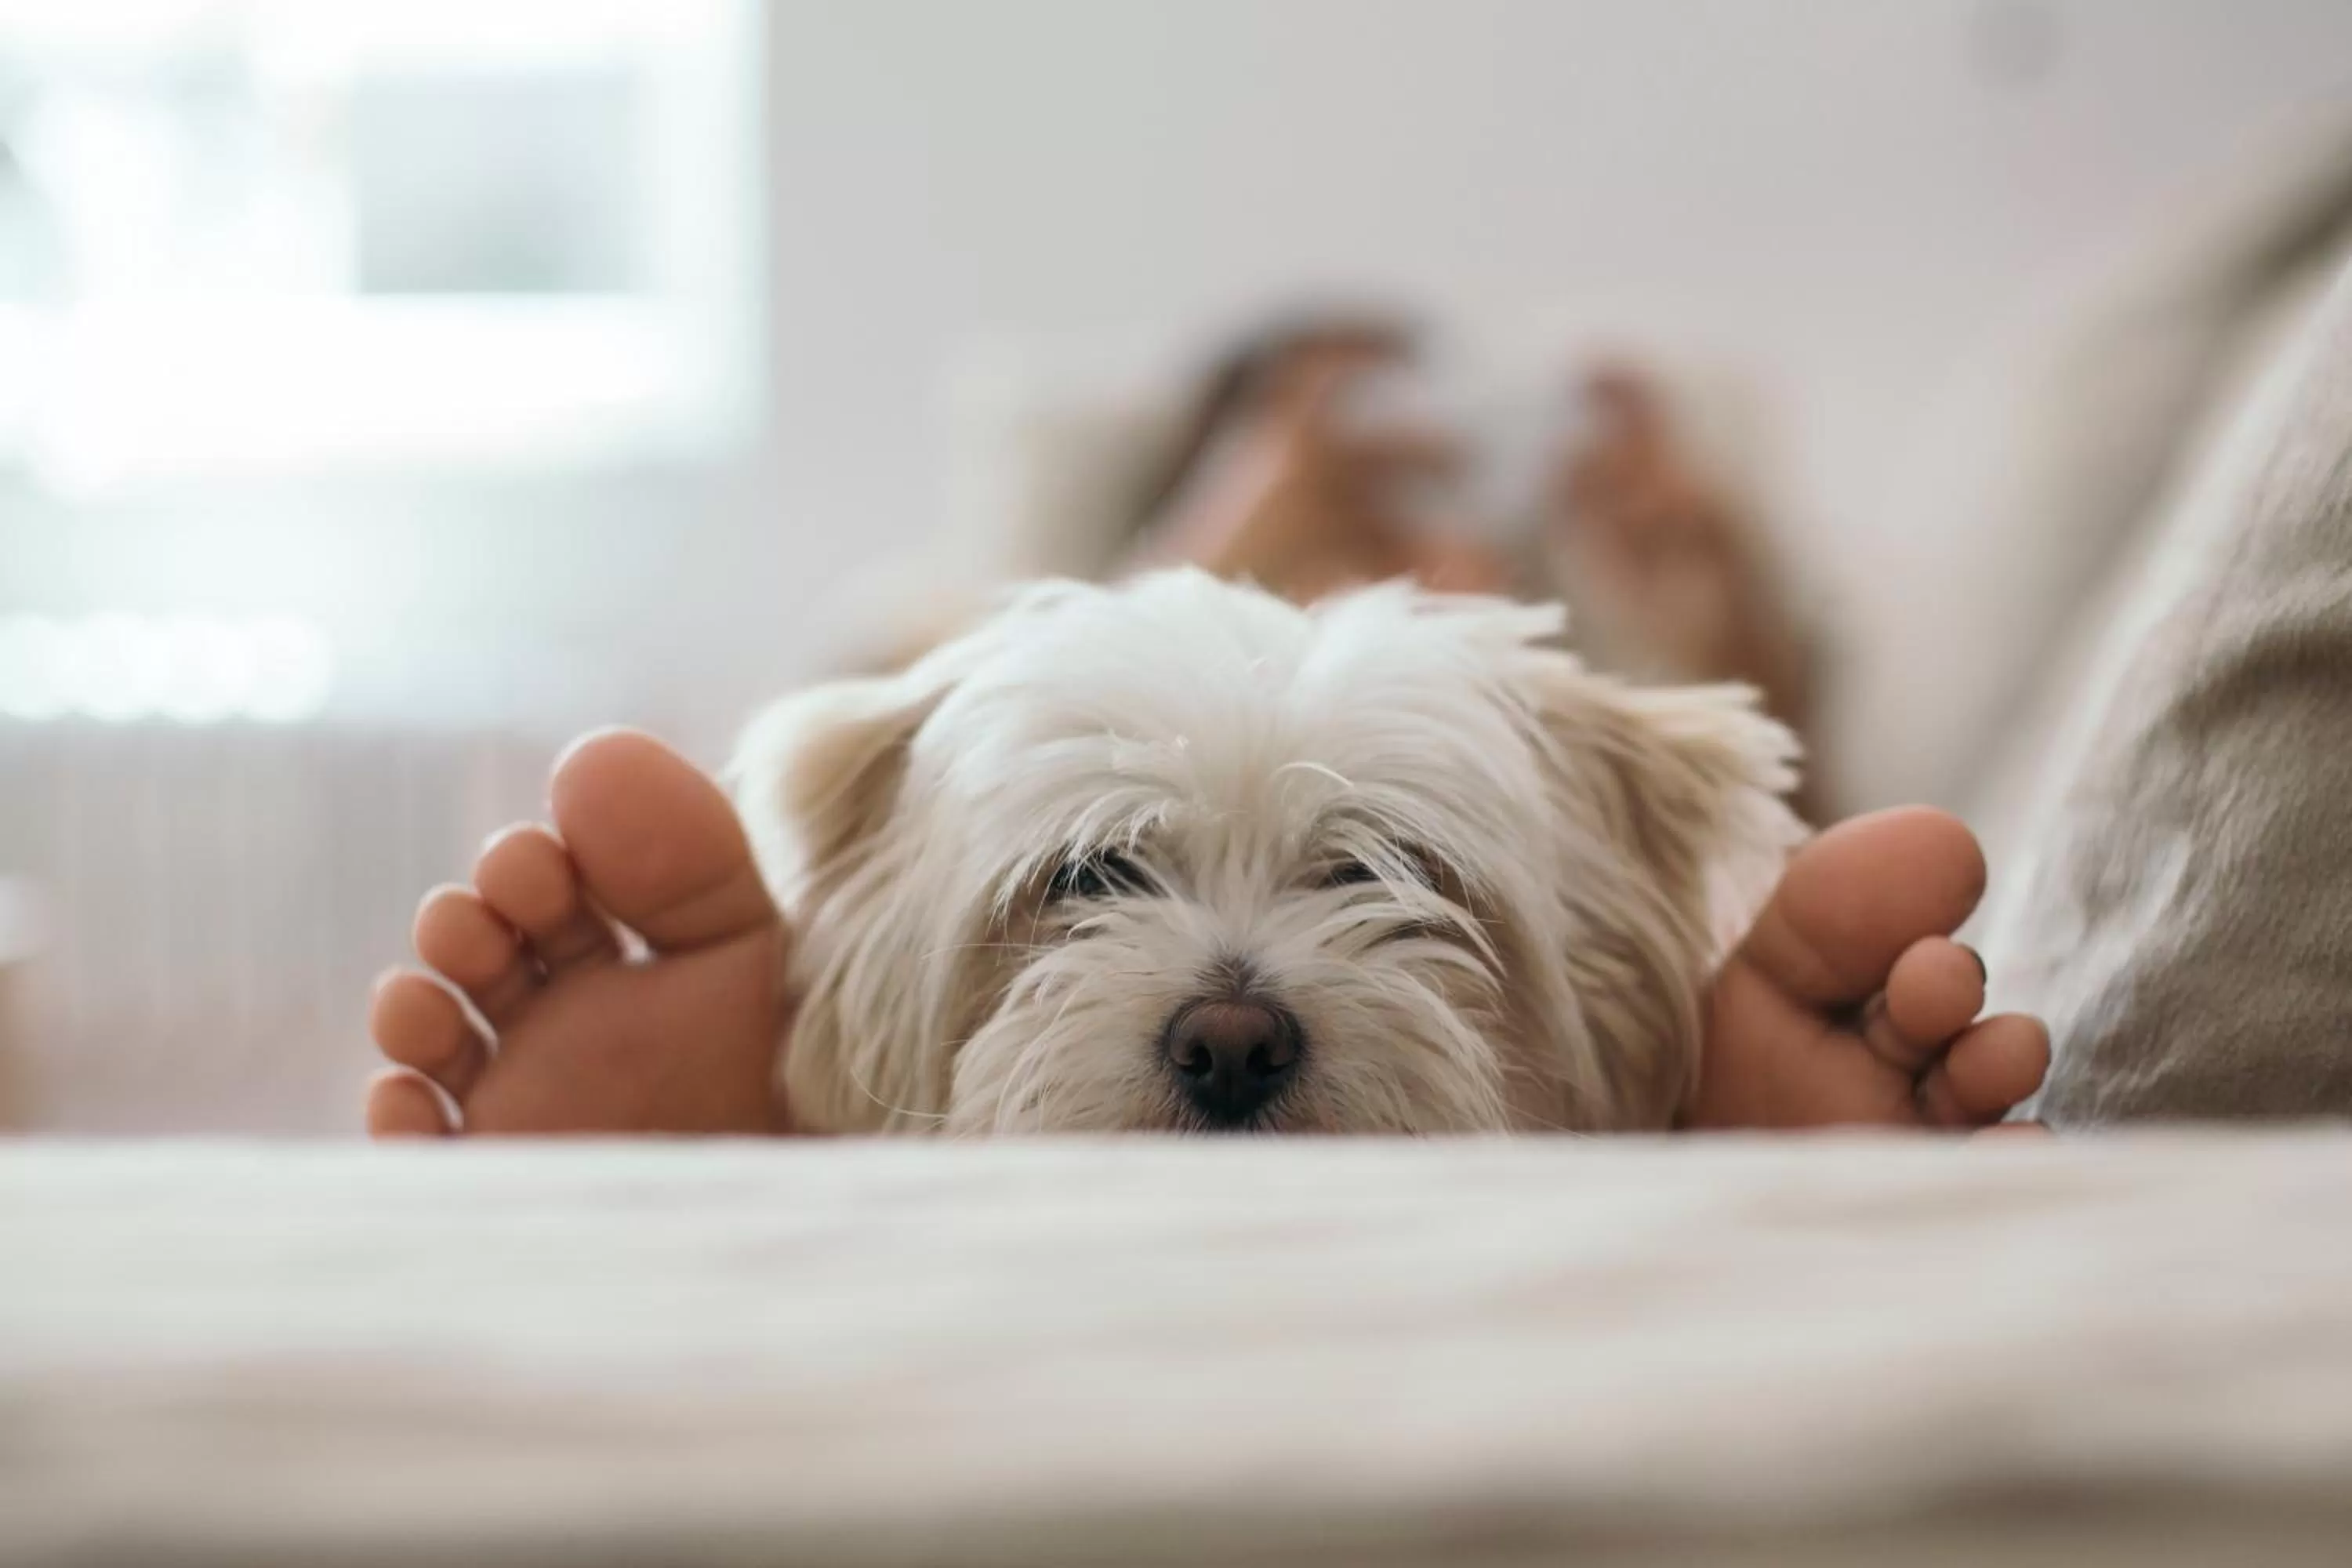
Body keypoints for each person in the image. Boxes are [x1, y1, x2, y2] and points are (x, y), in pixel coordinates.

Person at [361, 316, 2047, 1138]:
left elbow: (1835, 852)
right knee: (985, 762)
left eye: (1380, 865)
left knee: (1748, 877)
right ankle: (811, 1049)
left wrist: (1729, 630)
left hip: (1654, 832)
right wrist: (1201, 559)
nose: (1233, 1013)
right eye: (1098, 873)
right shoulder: (997, 647)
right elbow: (853, 727)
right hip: (984, 721)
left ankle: (1694, 1052)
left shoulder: (1590, 693)